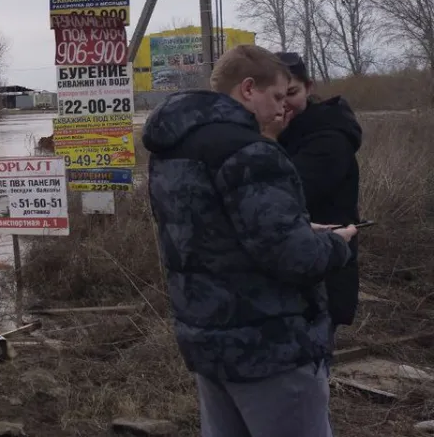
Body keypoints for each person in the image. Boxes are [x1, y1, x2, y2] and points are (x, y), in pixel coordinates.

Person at [141, 44, 358, 437]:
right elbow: (294, 257)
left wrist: (294, 229)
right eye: (276, 96)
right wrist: (338, 243)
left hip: (206, 339)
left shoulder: (172, 150)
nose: (282, 109)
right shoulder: (252, 152)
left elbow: (215, 234)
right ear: (247, 89)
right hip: (269, 345)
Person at [267, 52, 363, 346]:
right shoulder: (290, 131)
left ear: (309, 87)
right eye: (276, 96)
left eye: (291, 93)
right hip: (296, 268)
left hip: (322, 272)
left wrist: (267, 139)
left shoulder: (328, 138)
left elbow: (281, 196)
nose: (283, 104)